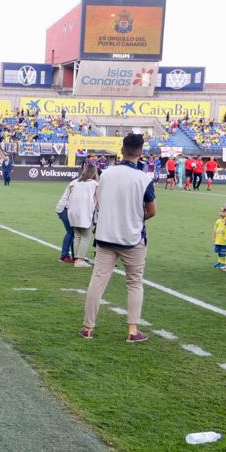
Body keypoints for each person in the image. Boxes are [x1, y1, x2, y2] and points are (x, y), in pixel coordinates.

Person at [81, 134, 156, 343]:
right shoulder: (144, 178)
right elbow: (152, 210)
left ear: (122, 149)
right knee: (134, 283)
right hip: (132, 237)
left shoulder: (106, 174)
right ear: (141, 152)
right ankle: (132, 330)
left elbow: (99, 202)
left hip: (106, 236)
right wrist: (136, 218)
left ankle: (88, 327)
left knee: (98, 281)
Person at [58, 163, 100, 267]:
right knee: (85, 236)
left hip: (72, 212)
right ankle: (79, 260)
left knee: (77, 235)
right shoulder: (94, 184)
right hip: (85, 212)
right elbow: (99, 200)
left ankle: (77, 257)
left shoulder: (74, 182)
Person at [212, 205, 226, 270]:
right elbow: (215, 230)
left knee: (223, 252)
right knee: (219, 251)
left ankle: (224, 263)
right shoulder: (218, 221)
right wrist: (214, 238)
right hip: (218, 240)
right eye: (220, 211)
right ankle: (220, 262)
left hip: (224, 240)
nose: (221, 213)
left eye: (224, 211)